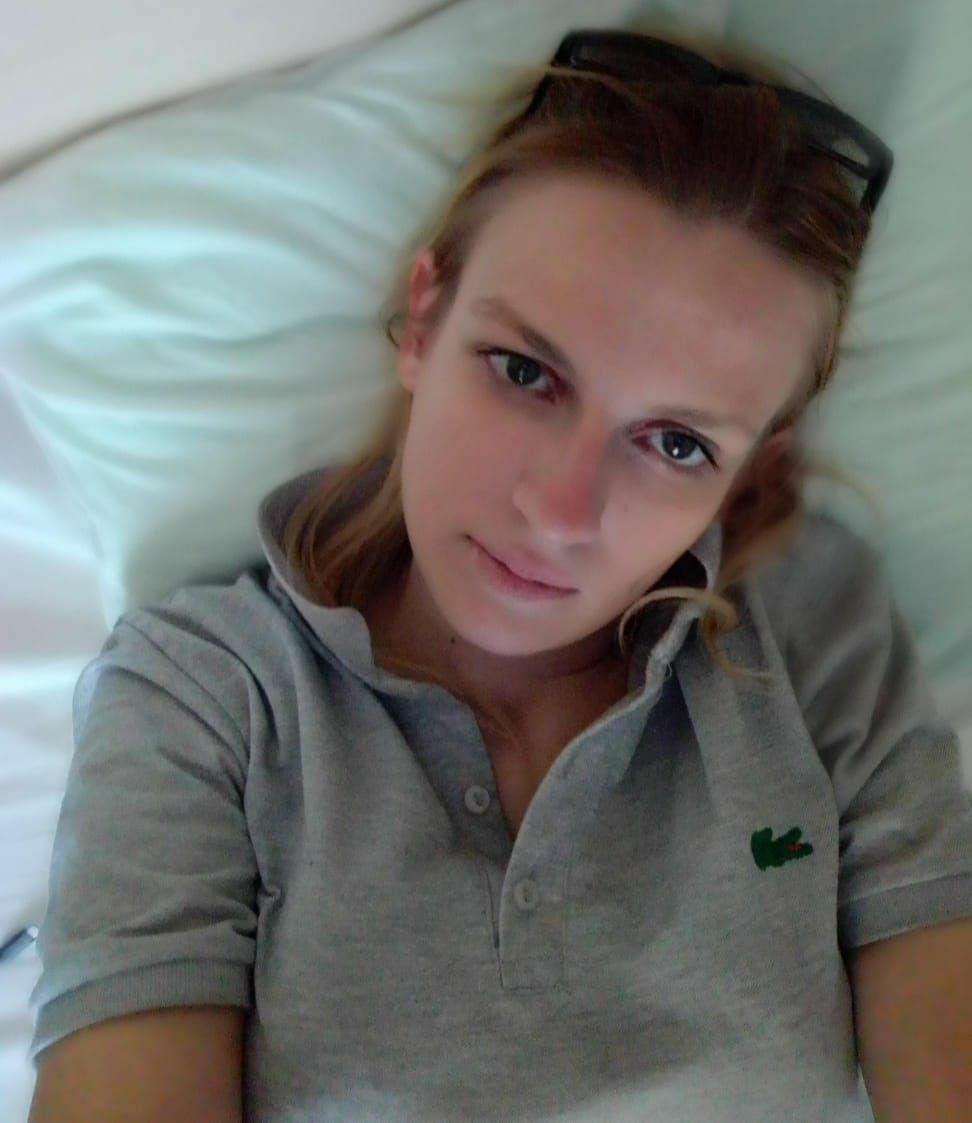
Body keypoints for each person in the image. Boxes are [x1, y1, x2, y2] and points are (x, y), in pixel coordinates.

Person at [28, 26, 972, 1123]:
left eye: (677, 444)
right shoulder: (205, 696)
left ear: (750, 474)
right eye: (524, 371)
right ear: (424, 321)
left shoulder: (809, 631)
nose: (560, 512)